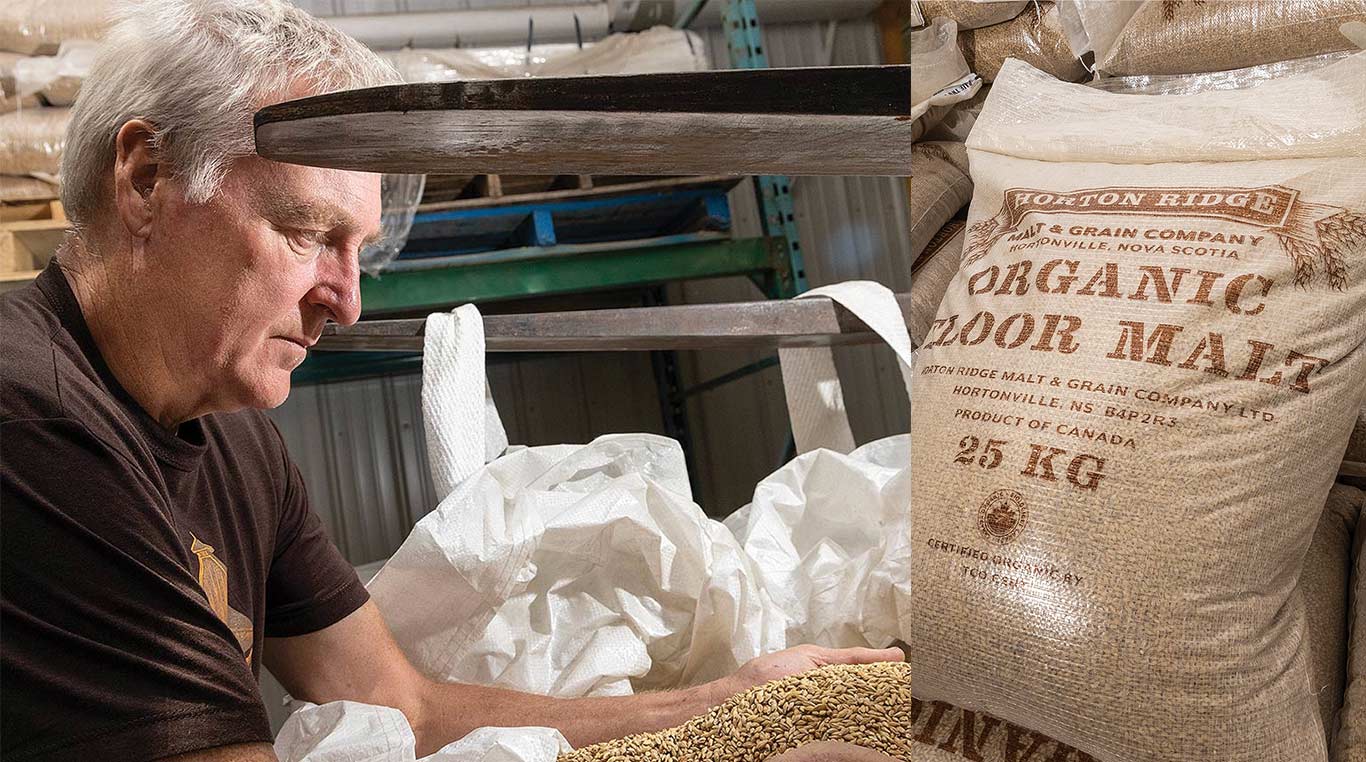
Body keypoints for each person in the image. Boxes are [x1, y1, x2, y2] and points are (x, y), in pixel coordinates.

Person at [0, 1, 904, 760]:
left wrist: (728, 705)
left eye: (358, 252)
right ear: (147, 179)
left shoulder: (239, 447)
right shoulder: (33, 417)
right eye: (308, 232)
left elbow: (407, 706)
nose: (345, 303)